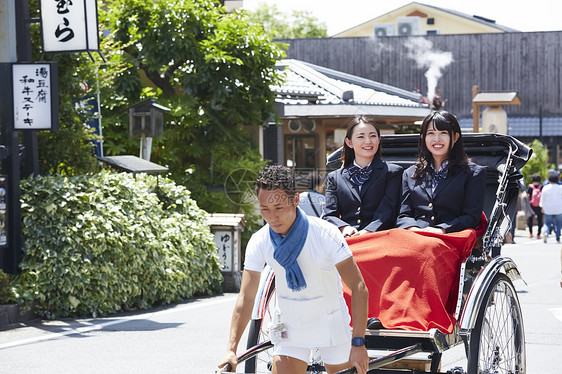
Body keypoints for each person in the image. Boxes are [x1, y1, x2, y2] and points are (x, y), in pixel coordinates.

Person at [217, 165, 369, 374]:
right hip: (291, 324)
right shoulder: (259, 241)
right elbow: (247, 297)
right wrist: (231, 349)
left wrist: (358, 343)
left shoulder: (325, 234)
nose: (272, 217)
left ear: (296, 200)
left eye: (279, 208)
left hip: (330, 321)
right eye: (265, 209)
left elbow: (358, 286)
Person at [396, 110, 486, 233]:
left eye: (443, 133)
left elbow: (471, 217)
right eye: (431, 133)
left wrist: (441, 230)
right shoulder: (410, 174)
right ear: (423, 138)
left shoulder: (473, 173)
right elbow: (403, 215)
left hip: (451, 235)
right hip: (415, 235)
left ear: (455, 137)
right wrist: (413, 229)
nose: (437, 139)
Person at [323, 116, 403, 237]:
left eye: (373, 136)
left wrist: (368, 231)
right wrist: (344, 227)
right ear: (349, 142)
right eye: (361, 136)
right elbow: (328, 214)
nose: (368, 141)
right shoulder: (334, 177)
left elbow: (388, 210)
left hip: (380, 239)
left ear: (379, 140)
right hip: (347, 239)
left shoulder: (392, 172)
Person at [539, 170, 562, 244]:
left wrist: (542, 207)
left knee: (547, 223)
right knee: (558, 223)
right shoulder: (560, 188)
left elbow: (542, 199)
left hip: (548, 208)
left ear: (549, 179)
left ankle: (546, 232)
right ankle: (558, 237)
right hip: (559, 208)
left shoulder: (545, 188)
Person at [527, 173, 544, 239]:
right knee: (540, 220)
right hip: (539, 206)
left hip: (531, 206)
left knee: (530, 219)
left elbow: (527, 196)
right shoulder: (541, 187)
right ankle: (538, 234)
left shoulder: (530, 187)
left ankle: (531, 233)